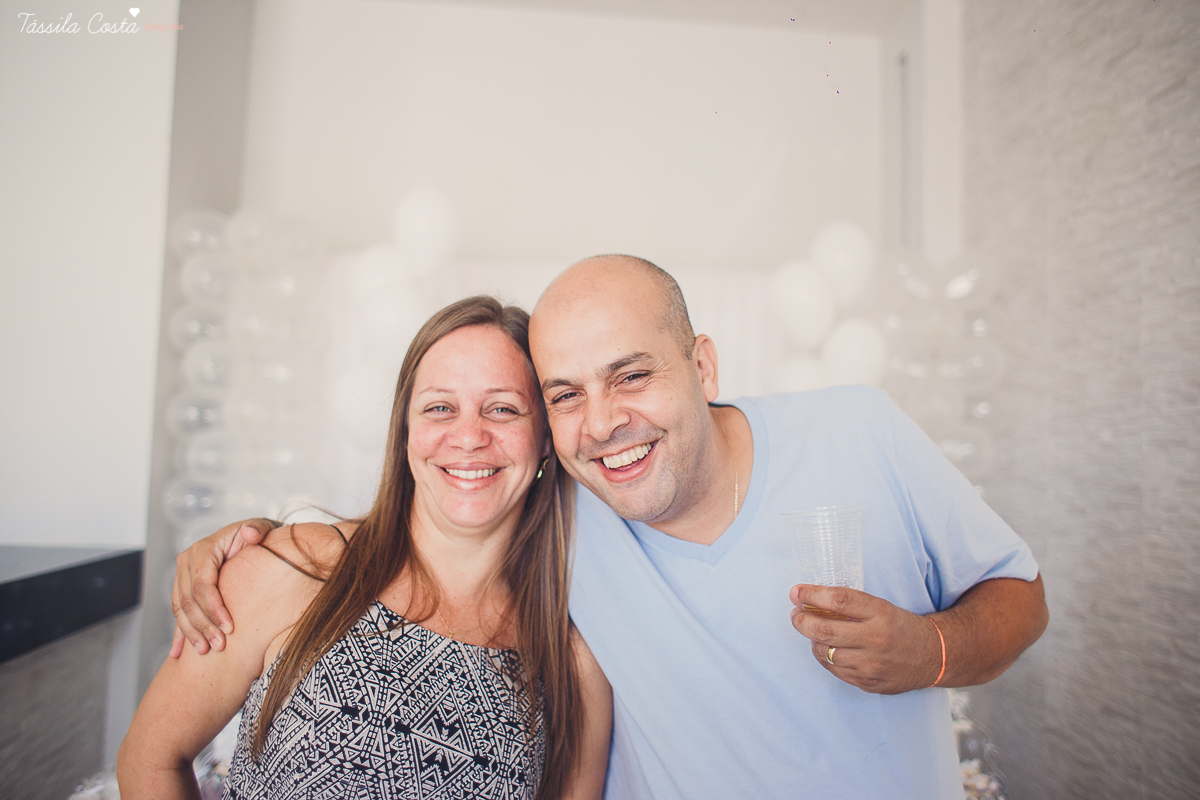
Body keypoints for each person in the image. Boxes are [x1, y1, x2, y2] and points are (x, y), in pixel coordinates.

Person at [173, 256, 1049, 799]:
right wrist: (253, 538)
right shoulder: (562, 513)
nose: (602, 423)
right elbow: (442, 501)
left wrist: (930, 650)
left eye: (631, 375)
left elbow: (1021, 595)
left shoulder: (858, 429)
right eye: (565, 395)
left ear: (701, 364)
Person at [119, 297, 611, 800]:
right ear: (405, 430)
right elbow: (152, 759)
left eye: (502, 408)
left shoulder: (570, 661)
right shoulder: (291, 567)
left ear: (545, 439)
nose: (468, 437)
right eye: (440, 408)